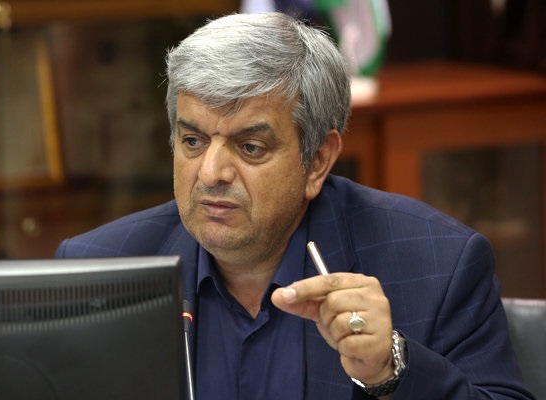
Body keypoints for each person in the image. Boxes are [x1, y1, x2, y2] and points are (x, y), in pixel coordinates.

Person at [56, 12, 535, 400]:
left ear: (317, 161)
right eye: (193, 141)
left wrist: (391, 371)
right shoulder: (98, 270)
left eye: (251, 147)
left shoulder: (438, 264)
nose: (211, 173)